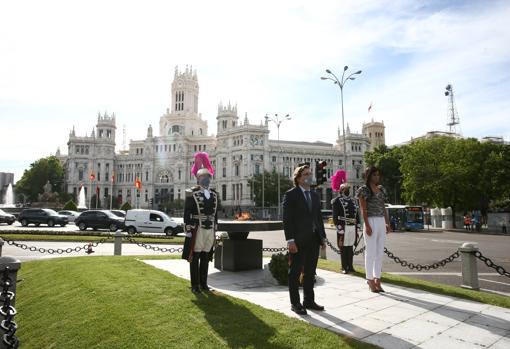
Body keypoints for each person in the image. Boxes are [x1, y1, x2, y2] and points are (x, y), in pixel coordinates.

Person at [283, 164, 327, 315]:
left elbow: (318, 218)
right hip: (298, 241)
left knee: (310, 272)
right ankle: (295, 303)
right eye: (305, 174)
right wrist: (290, 240)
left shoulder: (314, 195)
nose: (309, 176)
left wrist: (322, 238)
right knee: (295, 273)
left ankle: (308, 301)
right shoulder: (291, 194)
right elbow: (287, 220)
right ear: (298, 178)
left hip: (314, 239)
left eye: (310, 173)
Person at [182, 152, 218, 294]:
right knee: (195, 256)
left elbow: (215, 212)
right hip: (198, 228)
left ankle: (204, 284)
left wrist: (215, 225)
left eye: (208, 177)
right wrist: (189, 228)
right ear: (198, 179)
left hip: (209, 229)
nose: (206, 179)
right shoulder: (192, 193)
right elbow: (187, 213)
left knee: (205, 256)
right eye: (203, 177)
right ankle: (195, 285)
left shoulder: (214, 194)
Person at [356, 166, 391, 293]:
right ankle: (369, 279)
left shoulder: (381, 189)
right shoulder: (363, 190)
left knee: (379, 253)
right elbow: (363, 209)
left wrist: (387, 223)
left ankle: (378, 279)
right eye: (374, 175)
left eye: (378, 175)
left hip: (381, 220)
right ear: (369, 176)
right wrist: (367, 225)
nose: (377, 177)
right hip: (370, 220)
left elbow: (383, 207)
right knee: (370, 252)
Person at [330, 169, 359, 274]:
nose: (348, 190)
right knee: (343, 248)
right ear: (341, 190)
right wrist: (338, 227)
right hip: (343, 226)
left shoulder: (353, 201)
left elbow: (357, 214)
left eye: (348, 189)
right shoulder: (337, 201)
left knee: (350, 247)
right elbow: (335, 215)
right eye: (346, 189)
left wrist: (358, 225)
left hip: (352, 226)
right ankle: (343, 267)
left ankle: (350, 266)